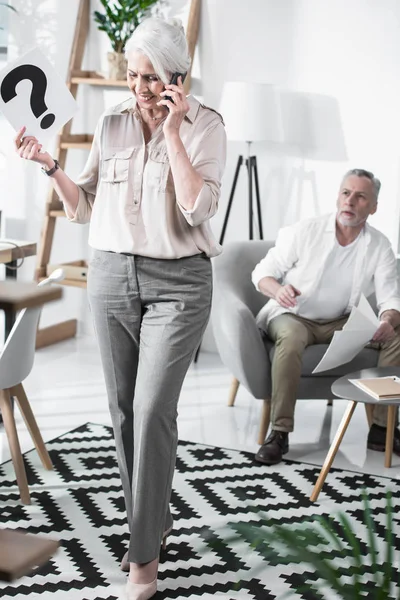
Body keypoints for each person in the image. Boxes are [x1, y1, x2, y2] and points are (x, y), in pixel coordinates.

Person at [14, 17, 226, 600]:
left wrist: (175, 130)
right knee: (124, 414)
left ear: (176, 77)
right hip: (110, 275)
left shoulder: (207, 126)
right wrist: (49, 166)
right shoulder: (109, 124)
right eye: (131, 76)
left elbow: (197, 208)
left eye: (148, 77)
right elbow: (82, 207)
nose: (137, 88)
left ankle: (142, 564)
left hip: (179, 284)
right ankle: (153, 522)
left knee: (153, 406)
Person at [252, 168, 400, 466]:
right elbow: (261, 274)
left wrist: (387, 320)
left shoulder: (379, 245)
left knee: (395, 338)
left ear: (373, 207)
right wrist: (278, 290)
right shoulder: (305, 231)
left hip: (339, 320)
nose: (350, 201)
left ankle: (382, 429)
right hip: (293, 315)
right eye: (346, 193)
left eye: (360, 196)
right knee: (291, 339)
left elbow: (391, 298)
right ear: (338, 197)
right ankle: (279, 433)